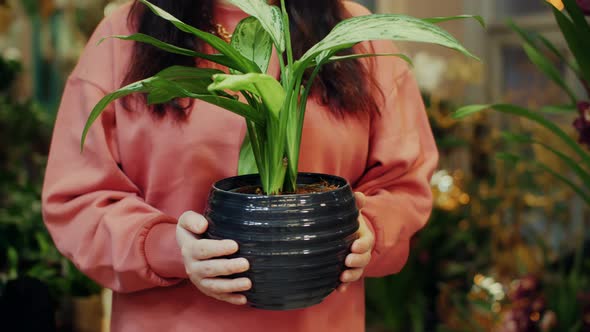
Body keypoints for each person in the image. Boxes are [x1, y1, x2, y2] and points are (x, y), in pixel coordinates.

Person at [42, 0, 438, 331]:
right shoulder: (126, 34)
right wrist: (168, 247)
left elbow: (404, 184)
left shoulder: (355, 33)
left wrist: (370, 228)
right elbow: (78, 199)